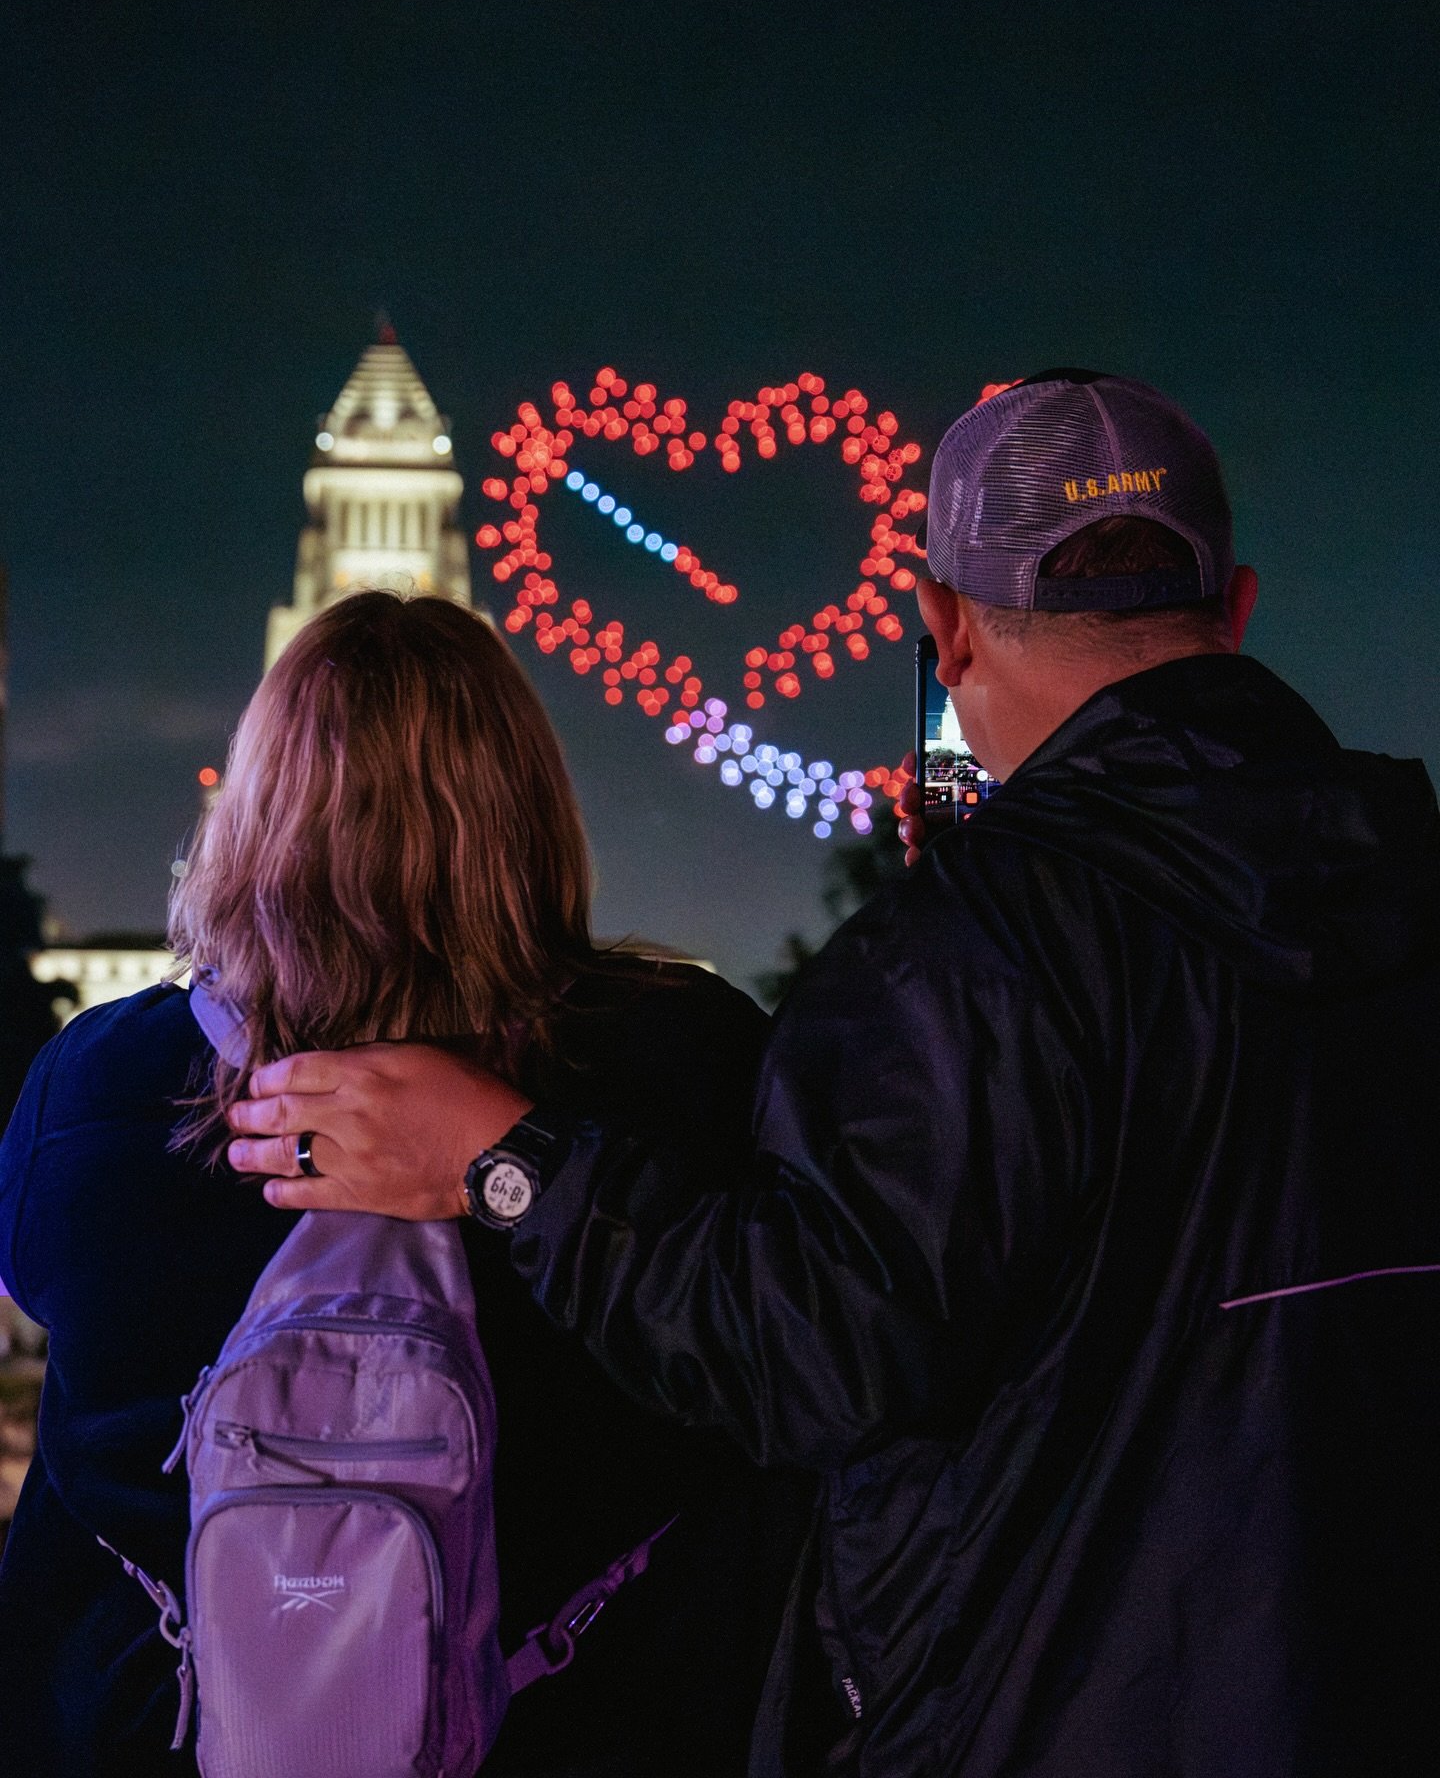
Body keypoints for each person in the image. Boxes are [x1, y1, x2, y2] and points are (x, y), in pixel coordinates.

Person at [230, 369, 1440, 1777]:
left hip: (1048, 1709)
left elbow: (814, 1354)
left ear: (941, 626)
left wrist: (509, 1166)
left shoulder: (961, 960)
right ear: (1234, 609)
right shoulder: (1404, 888)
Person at [0, 592, 800, 1778]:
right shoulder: (684, 1061)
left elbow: (43, 1278)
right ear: (531, 807)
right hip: (592, 1720)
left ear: (257, 807)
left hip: (159, 1725)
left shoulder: (100, 1081)